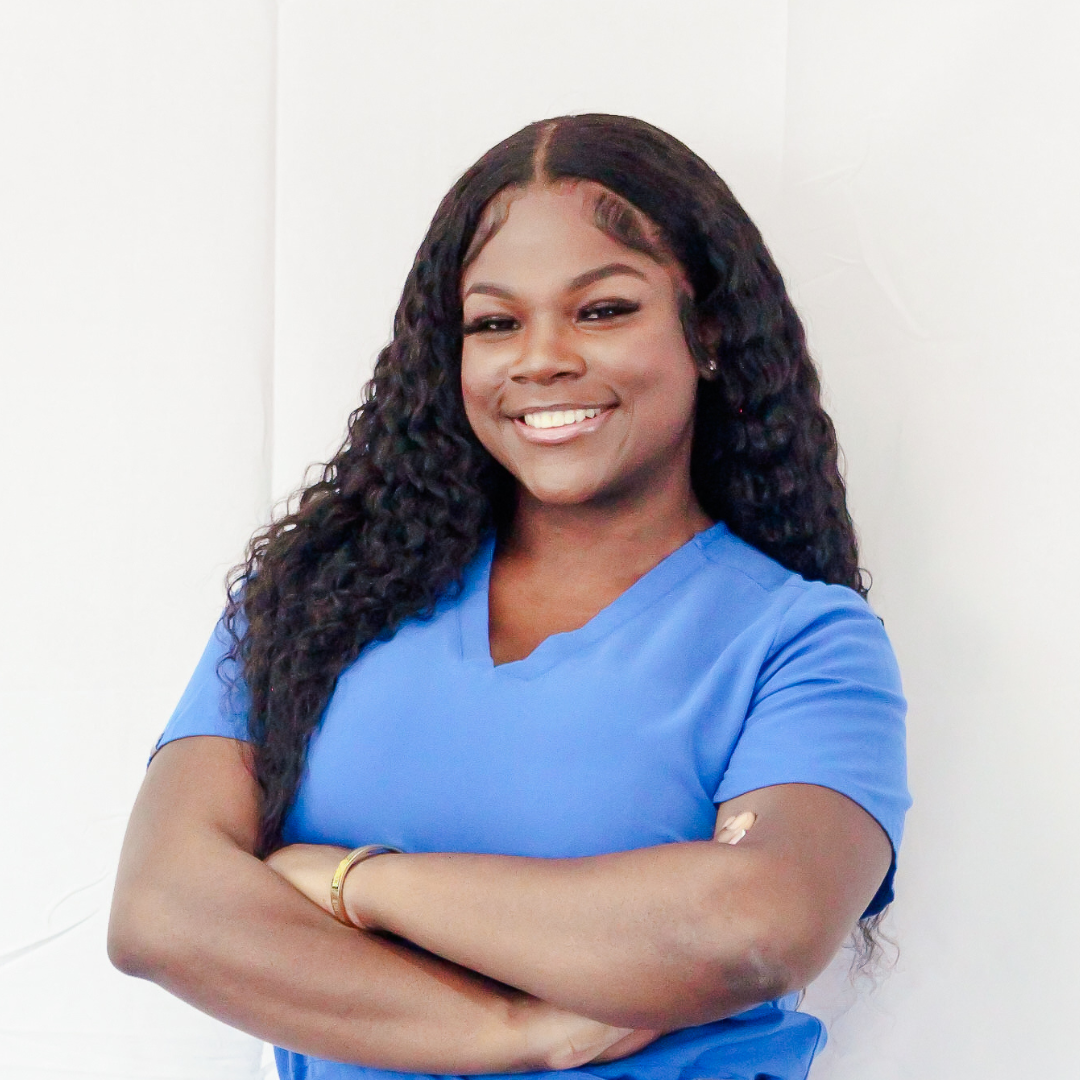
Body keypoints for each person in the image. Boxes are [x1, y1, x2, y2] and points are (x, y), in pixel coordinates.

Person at [108, 113, 910, 1080]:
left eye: (602, 310)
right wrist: (511, 1032)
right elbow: (163, 911)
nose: (541, 359)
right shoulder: (312, 601)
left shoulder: (802, 641)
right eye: (494, 322)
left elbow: (750, 928)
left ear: (709, 332)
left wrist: (356, 884)